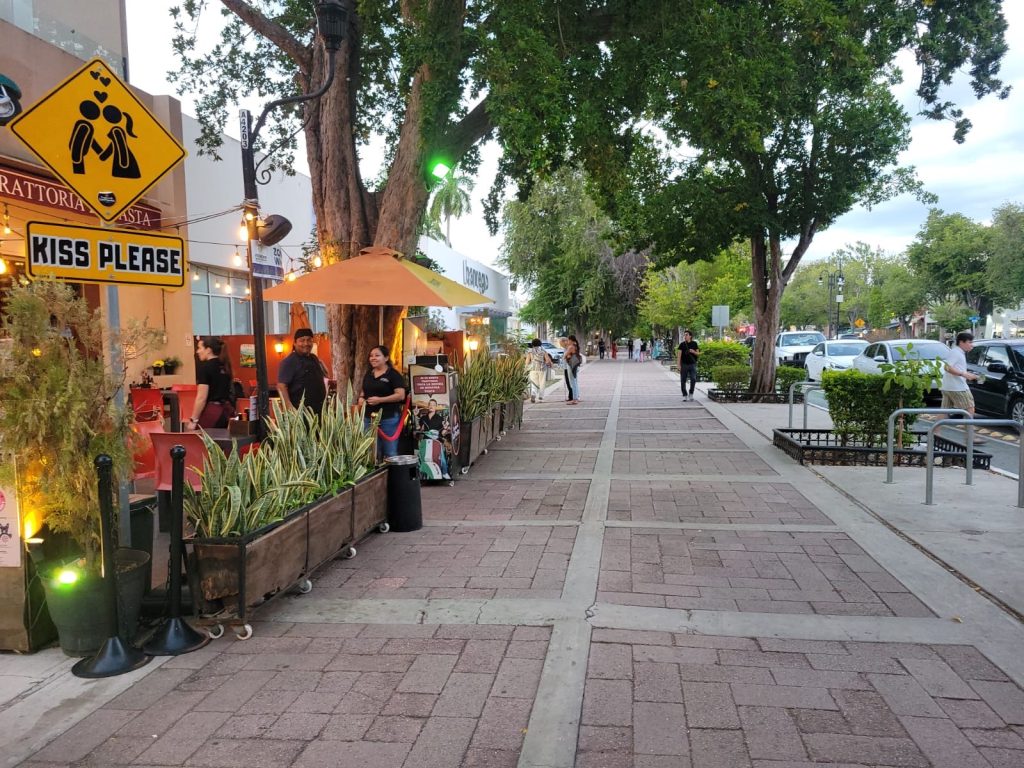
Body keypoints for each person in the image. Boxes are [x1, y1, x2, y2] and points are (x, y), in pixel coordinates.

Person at [358, 344, 407, 458]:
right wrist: (361, 398)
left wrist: (380, 400)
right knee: (370, 452)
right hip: (368, 418)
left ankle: (392, 470)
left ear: (386, 358)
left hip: (388, 418)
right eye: (371, 356)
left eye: (377, 355)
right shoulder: (369, 374)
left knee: (390, 452)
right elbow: (364, 390)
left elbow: (400, 395)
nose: (373, 358)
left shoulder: (393, 375)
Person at [940, 331, 983, 443]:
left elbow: (954, 368)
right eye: (969, 342)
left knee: (943, 412)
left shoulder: (958, 352)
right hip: (958, 387)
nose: (972, 345)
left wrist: (969, 375)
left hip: (949, 386)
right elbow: (947, 367)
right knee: (970, 409)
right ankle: (970, 437)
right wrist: (963, 374)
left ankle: (935, 434)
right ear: (961, 342)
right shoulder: (956, 352)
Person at [186, 336, 235, 430]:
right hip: (226, 412)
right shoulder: (225, 366)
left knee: (202, 437)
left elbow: (201, 398)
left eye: (200, 348)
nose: (197, 351)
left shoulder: (206, 368)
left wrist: (193, 420)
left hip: (212, 412)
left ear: (208, 350)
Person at [277, 328, 328, 414]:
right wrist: (289, 407)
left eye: (309, 340)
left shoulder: (314, 358)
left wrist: (321, 362)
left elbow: (326, 375)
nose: (306, 343)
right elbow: (281, 386)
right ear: (295, 343)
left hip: (319, 410)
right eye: (302, 340)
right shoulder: (289, 361)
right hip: (300, 413)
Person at [525, 338, 553, 403]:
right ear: (540, 344)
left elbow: (527, 361)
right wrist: (549, 364)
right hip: (542, 369)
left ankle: (533, 393)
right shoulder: (543, 351)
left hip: (533, 369)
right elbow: (547, 360)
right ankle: (541, 396)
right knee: (542, 383)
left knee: (534, 383)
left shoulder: (530, 351)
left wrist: (526, 367)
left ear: (532, 344)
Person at [678, 330, 700, 401]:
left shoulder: (694, 343)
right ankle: (684, 395)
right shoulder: (682, 344)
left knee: (693, 379)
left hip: (692, 364)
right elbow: (679, 355)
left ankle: (691, 393)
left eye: (686, 335)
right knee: (683, 380)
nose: (685, 336)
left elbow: (698, 353)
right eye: (684, 335)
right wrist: (678, 365)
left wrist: (693, 351)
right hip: (684, 364)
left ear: (690, 336)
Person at [564, 339, 582, 404]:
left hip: (571, 365)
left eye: (568, 340)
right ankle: (577, 397)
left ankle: (575, 399)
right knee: (575, 381)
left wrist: (567, 355)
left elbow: (565, 355)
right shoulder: (575, 346)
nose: (567, 341)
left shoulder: (571, 347)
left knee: (572, 382)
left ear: (571, 340)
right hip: (575, 365)